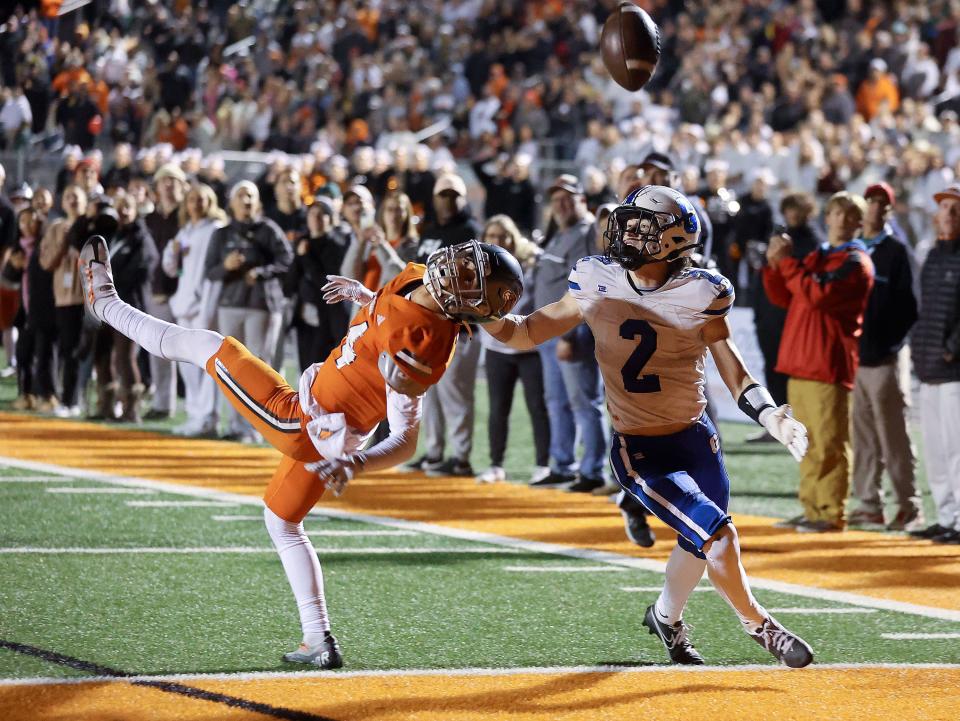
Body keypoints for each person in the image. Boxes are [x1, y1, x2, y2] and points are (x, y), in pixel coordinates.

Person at [79, 234, 522, 667]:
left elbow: (405, 441)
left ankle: (105, 304)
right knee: (282, 521)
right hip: (322, 417)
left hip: (308, 424)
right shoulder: (418, 278)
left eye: (469, 277)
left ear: (475, 306)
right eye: (466, 262)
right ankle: (317, 639)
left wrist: (354, 462)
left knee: (211, 347)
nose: (454, 269)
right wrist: (367, 298)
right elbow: (385, 319)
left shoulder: (424, 342)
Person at [482, 185, 813, 668]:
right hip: (640, 449)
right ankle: (760, 625)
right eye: (629, 222)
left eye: (644, 226)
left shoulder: (703, 291)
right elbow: (526, 330)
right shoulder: (596, 279)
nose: (629, 231)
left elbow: (732, 367)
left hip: (698, 439)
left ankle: (665, 617)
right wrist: (484, 314)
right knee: (717, 536)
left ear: (675, 241)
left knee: (699, 543)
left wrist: (769, 415)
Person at [763, 192, 874, 533]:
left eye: (849, 214)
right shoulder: (816, 256)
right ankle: (812, 508)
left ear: (859, 222)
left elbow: (818, 294)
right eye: (836, 212)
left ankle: (829, 511)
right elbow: (783, 295)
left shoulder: (856, 262)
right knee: (806, 444)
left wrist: (786, 263)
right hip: (801, 362)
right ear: (827, 217)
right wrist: (772, 266)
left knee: (829, 443)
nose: (841, 219)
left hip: (828, 365)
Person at [848, 183, 922, 531]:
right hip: (856, 358)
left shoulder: (897, 251)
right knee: (862, 437)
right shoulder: (854, 249)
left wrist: (889, 346)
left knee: (894, 436)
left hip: (885, 359)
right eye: (870, 201)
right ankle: (868, 503)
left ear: (889, 211)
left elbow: (911, 308)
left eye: (881, 203)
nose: (875, 208)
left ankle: (909, 504)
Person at [203, 180, 293, 443]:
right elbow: (210, 270)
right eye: (241, 195)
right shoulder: (221, 233)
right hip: (230, 303)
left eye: (251, 196)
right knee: (229, 369)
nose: (246, 200)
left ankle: (256, 427)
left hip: (261, 304)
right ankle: (233, 424)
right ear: (231, 202)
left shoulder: (268, 230)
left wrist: (261, 272)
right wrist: (227, 266)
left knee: (259, 368)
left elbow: (286, 260)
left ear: (259, 202)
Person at [475, 214, 550, 484]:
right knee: (498, 408)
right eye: (492, 236)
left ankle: (543, 463)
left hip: (529, 345)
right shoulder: (479, 266)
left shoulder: (531, 262)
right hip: (496, 347)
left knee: (537, 406)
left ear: (513, 236)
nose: (498, 241)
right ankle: (496, 464)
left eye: (503, 235)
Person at [910, 184, 960, 545]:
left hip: (953, 369)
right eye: (944, 209)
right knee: (936, 451)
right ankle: (947, 517)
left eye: (955, 210)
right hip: (928, 366)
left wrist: (951, 349)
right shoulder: (931, 256)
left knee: (956, 449)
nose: (947, 215)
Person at [162, 183, 227, 435]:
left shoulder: (217, 229)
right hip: (183, 302)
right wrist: (174, 254)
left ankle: (208, 418)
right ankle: (193, 415)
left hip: (206, 303)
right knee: (186, 365)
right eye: (192, 199)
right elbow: (171, 267)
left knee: (208, 364)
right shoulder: (185, 232)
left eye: (202, 199)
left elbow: (215, 271)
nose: (197, 204)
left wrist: (208, 303)